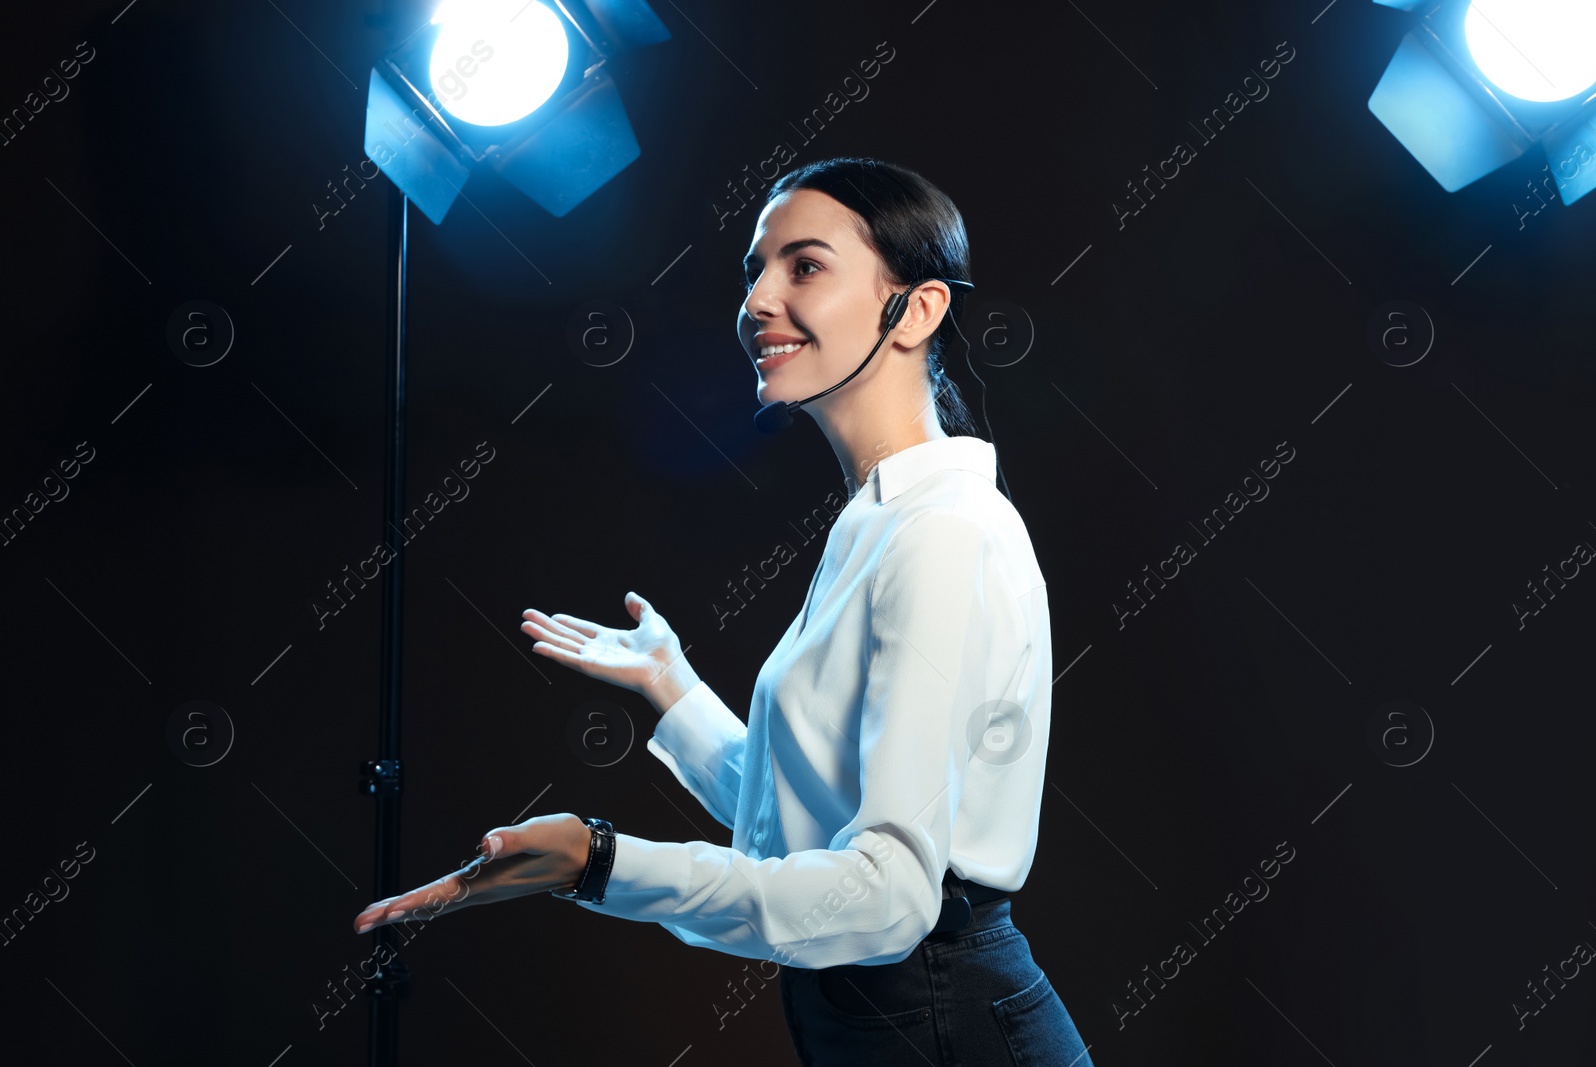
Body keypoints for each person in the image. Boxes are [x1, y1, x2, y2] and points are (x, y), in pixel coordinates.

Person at [353, 156, 1093, 1066]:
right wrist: (675, 689)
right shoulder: (882, 521)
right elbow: (811, 819)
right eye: (755, 269)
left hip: (943, 1022)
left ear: (919, 309)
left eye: (805, 266)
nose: (757, 300)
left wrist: (603, 861)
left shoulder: (941, 532)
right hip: (892, 1016)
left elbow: (889, 896)